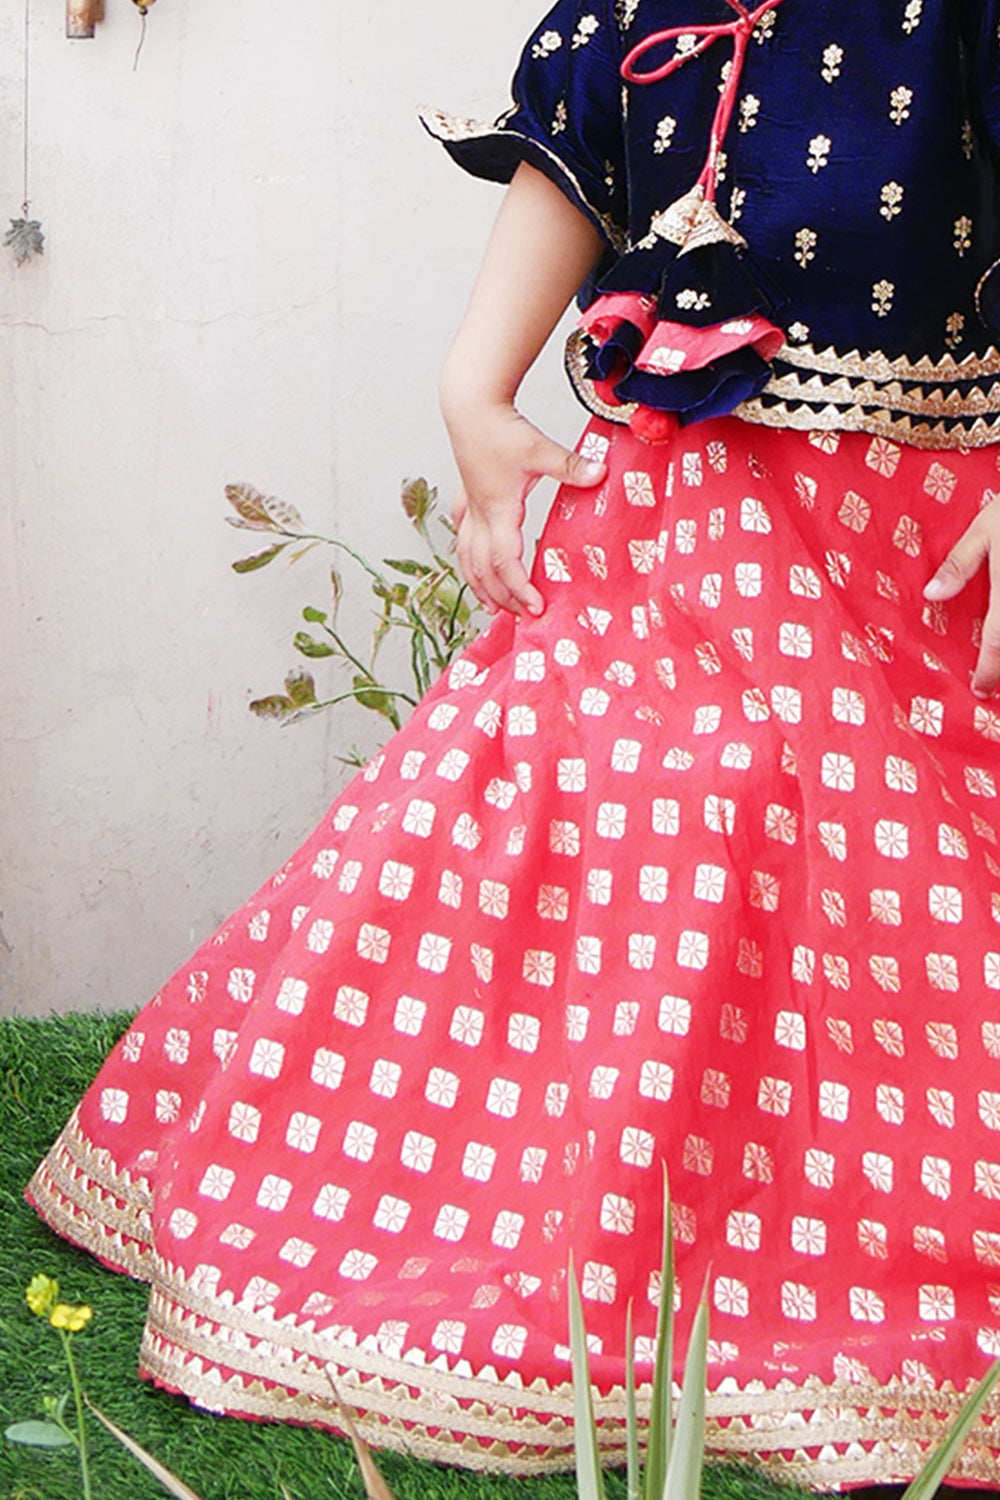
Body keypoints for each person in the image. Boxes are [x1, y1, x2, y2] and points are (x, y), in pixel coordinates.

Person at [26, 0, 1000, 1489]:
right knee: (602, 834)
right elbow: (579, 155)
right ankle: (567, 1223)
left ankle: (816, 1253)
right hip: (664, 514)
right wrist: (475, 388)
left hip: (906, 548)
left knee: (888, 895)